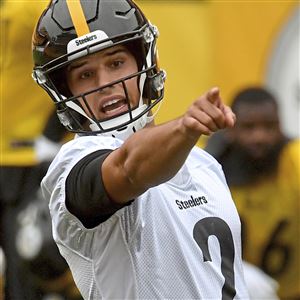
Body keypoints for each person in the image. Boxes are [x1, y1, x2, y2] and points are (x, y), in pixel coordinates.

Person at [32, 0, 250, 299]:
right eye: (84, 75)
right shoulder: (70, 163)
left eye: (115, 63)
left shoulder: (203, 164)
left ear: (144, 61)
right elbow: (127, 170)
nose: (105, 83)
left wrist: (184, 134)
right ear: (65, 90)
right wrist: (185, 128)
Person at [0, 1, 82, 299]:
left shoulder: (37, 4)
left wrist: (52, 132)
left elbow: (73, 56)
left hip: (28, 157)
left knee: (30, 259)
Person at [205, 86, 300, 299]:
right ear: (230, 130)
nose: (259, 136)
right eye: (249, 127)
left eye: (269, 126)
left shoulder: (294, 160)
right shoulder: (208, 170)